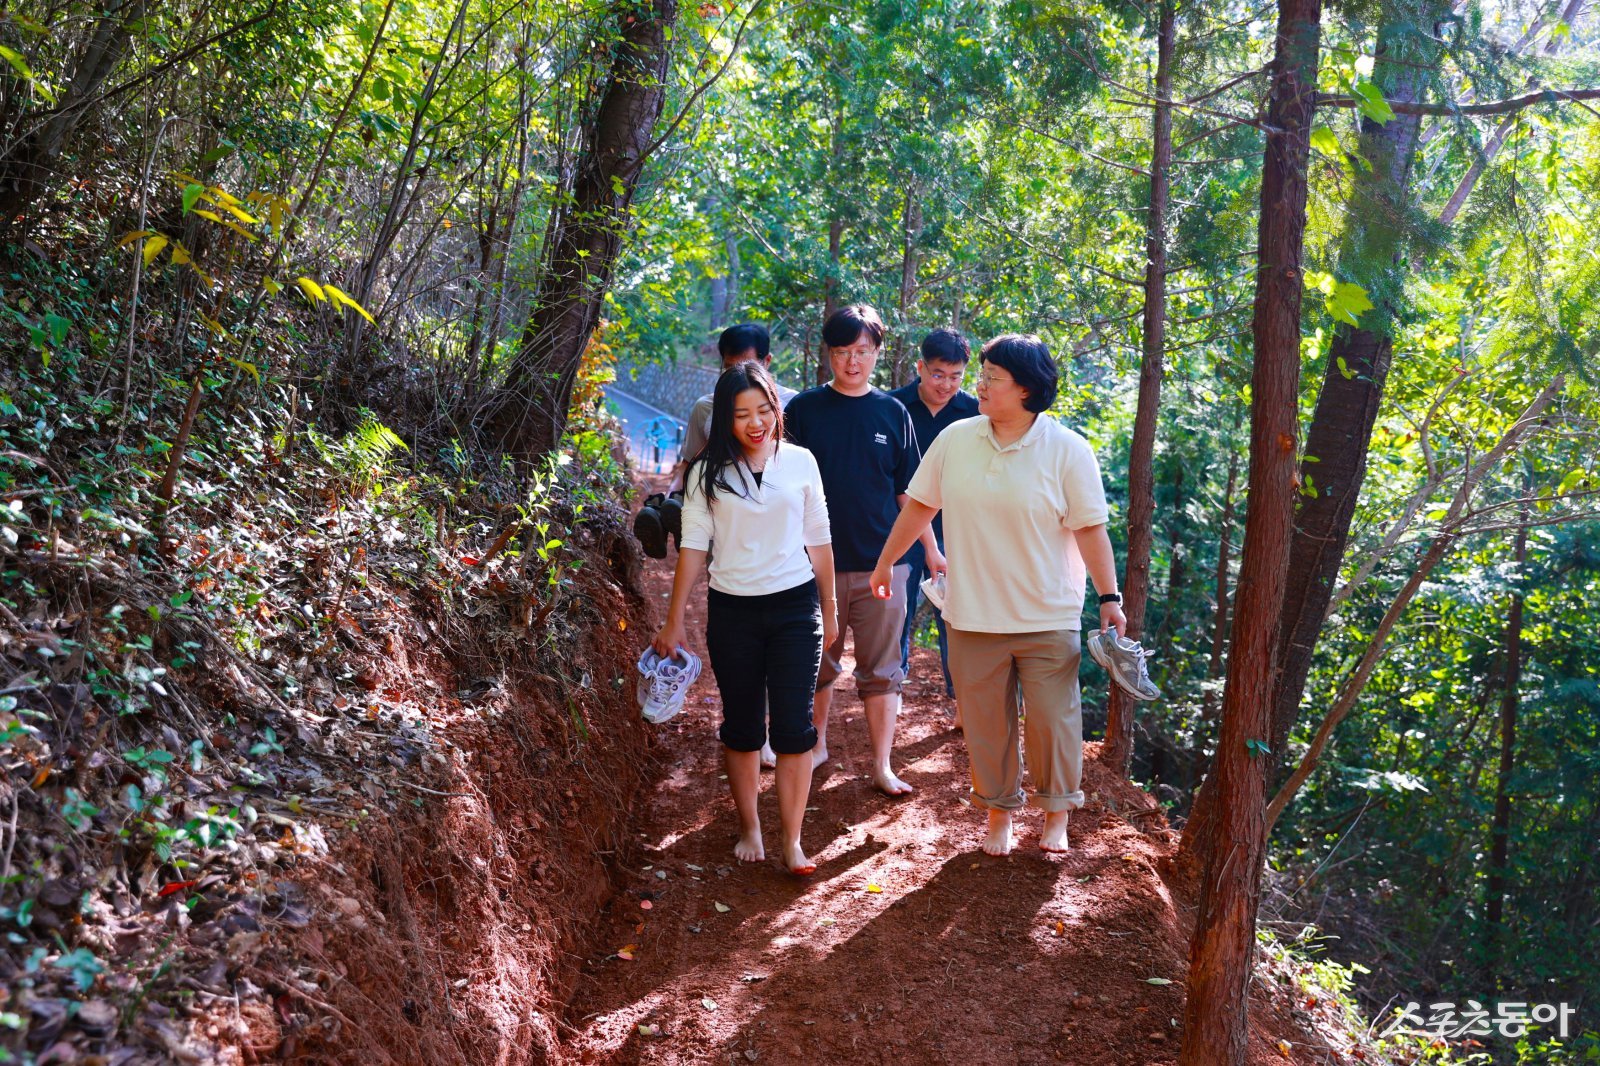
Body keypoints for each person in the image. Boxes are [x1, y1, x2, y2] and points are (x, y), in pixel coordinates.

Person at [868, 334, 1126, 856]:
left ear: (1027, 390)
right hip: (972, 613)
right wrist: (886, 561)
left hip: (1046, 614)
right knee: (986, 725)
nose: (978, 385)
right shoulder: (957, 439)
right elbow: (919, 506)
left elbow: (1090, 530)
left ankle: (1056, 815)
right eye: (980, 374)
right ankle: (999, 814)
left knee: (1054, 721)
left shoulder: (1068, 450)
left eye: (991, 378)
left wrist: (1109, 597)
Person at [652, 361, 837, 875]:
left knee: (795, 727)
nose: (756, 423)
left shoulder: (801, 461)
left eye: (764, 410)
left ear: (777, 409)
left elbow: (819, 539)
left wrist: (831, 608)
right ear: (725, 420)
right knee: (742, 725)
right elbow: (692, 546)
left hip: (797, 608)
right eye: (742, 415)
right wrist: (674, 621)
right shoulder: (705, 474)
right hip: (732, 609)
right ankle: (751, 826)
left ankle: (793, 840)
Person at [784, 305, 942, 797]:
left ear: (877, 353)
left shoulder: (892, 413)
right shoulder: (804, 411)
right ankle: (816, 747)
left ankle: (881, 764)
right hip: (814, 568)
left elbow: (908, 494)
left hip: (884, 567)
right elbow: (783, 485)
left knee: (883, 671)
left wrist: (931, 552)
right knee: (817, 664)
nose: (852, 362)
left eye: (862, 352)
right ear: (829, 354)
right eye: (841, 351)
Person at [634, 323, 795, 557]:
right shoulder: (706, 407)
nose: (738, 376)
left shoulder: (793, 405)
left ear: (767, 361)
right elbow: (688, 463)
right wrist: (670, 499)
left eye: (747, 366)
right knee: (721, 584)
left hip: (774, 520)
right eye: (729, 368)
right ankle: (673, 518)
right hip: (721, 515)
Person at [887, 329, 979, 719]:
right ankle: (892, 689)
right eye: (938, 374)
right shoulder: (892, 407)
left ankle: (963, 700)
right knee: (898, 611)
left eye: (956, 376)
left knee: (958, 615)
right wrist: (926, 544)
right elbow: (892, 478)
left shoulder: (976, 412)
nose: (947, 385)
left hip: (959, 528)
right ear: (920, 367)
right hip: (903, 524)